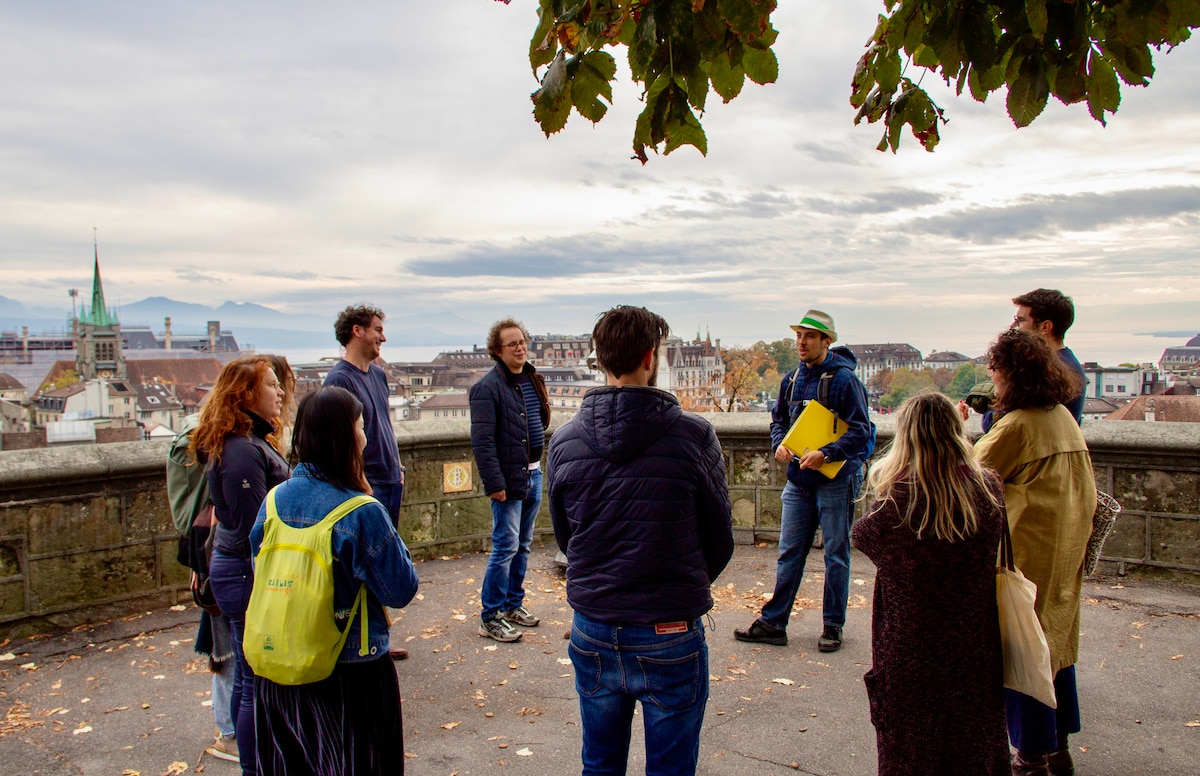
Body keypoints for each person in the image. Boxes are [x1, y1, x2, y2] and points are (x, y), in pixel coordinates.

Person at [547, 305, 734, 775]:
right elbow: (720, 539)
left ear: (600, 359)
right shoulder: (694, 437)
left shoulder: (566, 441)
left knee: (600, 762)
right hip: (668, 628)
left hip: (594, 622)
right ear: (651, 357)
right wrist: (677, 583)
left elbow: (568, 537)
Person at [250, 386, 419, 776]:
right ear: (346, 436)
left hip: (279, 665)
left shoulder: (273, 501)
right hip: (350, 671)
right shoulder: (362, 512)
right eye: (360, 427)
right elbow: (401, 589)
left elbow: (258, 564)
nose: (365, 435)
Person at [851, 392, 1010, 776]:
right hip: (975, 645)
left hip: (911, 650)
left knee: (912, 754)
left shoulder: (897, 503)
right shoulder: (988, 490)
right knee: (974, 746)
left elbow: (861, 536)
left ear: (906, 438)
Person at [974, 329, 1097, 776]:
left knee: (1022, 654)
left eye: (994, 371)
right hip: (1063, 555)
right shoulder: (1061, 416)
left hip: (1024, 556)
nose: (992, 379)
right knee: (1054, 650)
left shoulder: (1021, 425)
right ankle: (1057, 748)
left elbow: (969, 476)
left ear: (1013, 374)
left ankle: (1030, 757)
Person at [735, 309, 872, 653]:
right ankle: (773, 623)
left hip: (835, 479)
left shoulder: (844, 381)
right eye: (799, 336)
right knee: (789, 553)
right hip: (798, 480)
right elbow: (778, 421)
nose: (801, 342)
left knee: (836, 554)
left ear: (827, 341)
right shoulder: (791, 379)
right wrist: (780, 443)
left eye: (809, 336)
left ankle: (832, 626)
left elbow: (862, 432)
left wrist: (826, 453)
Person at [193, 355, 291, 776]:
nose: (281, 392)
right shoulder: (241, 452)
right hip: (245, 574)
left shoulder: (245, 444)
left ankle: (255, 759)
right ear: (246, 394)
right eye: (272, 385)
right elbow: (258, 530)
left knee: (250, 674)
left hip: (236, 568)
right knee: (252, 679)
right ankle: (254, 765)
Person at [324, 305, 409, 659]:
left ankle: (377, 636)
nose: (383, 337)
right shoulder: (339, 380)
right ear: (357, 331)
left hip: (389, 479)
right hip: (364, 487)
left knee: (381, 565)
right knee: (361, 567)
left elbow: (382, 427)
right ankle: (362, 640)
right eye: (377, 329)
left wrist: (398, 466)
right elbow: (339, 443)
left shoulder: (376, 375)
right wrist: (358, 482)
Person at [469, 317, 550, 643]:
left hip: (534, 472)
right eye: (512, 344)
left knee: (523, 545)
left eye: (522, 342)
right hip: (509, 479)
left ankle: (513, 605)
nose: (519, 348)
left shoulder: (531, 377)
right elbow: (483, 443)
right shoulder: (486, 388)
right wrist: (495, 484)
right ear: (497, 350)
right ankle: (490, 616)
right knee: (504, 547)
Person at [1011, 288, 1086, 425]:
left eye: (1020, 321)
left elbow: (1001, 421)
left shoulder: (1046, 371)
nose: (1016, 328)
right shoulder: (1068, 364)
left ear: (1045, 327)